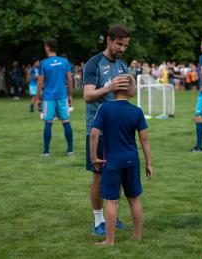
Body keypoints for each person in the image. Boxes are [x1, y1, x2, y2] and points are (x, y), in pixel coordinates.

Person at [90, 74, 152, 246]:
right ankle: (137, 235)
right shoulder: (136, 111)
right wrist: (148, 163)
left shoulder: (104, 108)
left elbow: (94, 134)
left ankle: (110, 241)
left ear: (114, 88)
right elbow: (144, 139)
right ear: (132, 92)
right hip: (132, 160)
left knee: (112, 200)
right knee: (134, 198)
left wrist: (94, 157)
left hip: (112, 162)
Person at [83, 24, 131, 235]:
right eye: (119, 44)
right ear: (109, 41)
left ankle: (113, 215)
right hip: (98, 130)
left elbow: (125, 94)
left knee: (118, 174)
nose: (122, 49)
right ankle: (98, 220)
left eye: (125, 45)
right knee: (99, 176)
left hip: (119, 131)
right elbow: (87, 95)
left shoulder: (123, 65)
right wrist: (109, 88)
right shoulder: (94, 64)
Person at [35, 38, 73, 156]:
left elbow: (40, 83)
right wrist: (70, 95)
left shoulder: (44, 63)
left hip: (48, 97)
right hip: (62, 96)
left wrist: (37, 98)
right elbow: (70, 80)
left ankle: (46, 152)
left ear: (47, 47)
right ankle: (70, 150)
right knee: (66, 121)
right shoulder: (65, 62)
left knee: (48, 122)